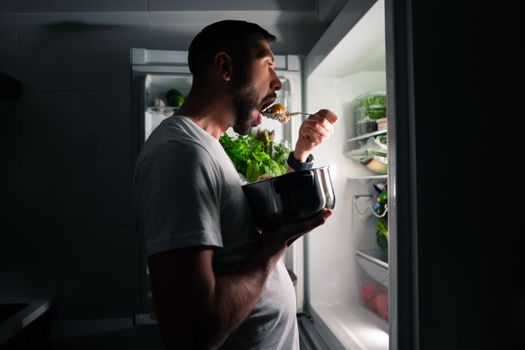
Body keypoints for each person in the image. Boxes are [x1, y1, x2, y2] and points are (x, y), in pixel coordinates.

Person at [133, 20, 338, 350]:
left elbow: (234, 245)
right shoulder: (179, 154)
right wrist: (275, 247)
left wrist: (301, 152)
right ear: (225, 67)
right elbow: (192, 335)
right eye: (268, 64)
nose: (278, 82)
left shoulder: (207, 146)